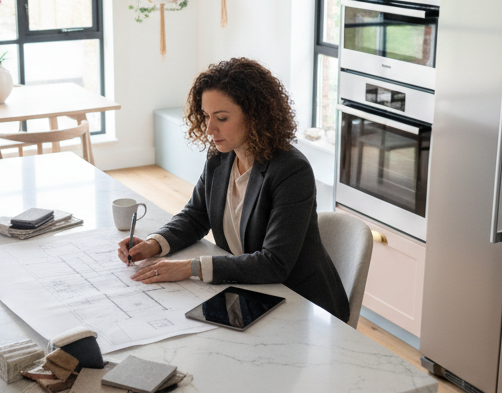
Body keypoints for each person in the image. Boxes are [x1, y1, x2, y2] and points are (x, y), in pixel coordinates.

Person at [117, 57, 350, 323]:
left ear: (255, 116)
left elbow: (274, 263)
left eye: (222, 118)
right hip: (251, 290)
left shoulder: (291, 171)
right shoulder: (220, 156)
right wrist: (152, 245)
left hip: (303, 306)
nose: (209, 128)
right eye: (206, 116)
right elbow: (196, 215)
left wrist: (191, 267)